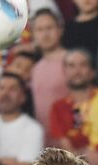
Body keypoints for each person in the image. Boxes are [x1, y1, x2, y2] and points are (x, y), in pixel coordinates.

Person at [28, 9, 69, 139]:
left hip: (70, 140)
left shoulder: (72, 61)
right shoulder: (35, 68)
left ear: (60, 30)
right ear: (33, 35)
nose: (45, 34)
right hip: (44, 142)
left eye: (49, 28)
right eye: (39, 30)